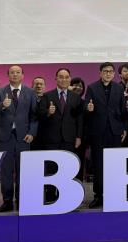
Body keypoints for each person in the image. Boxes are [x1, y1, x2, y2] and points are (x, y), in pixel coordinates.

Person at [0, 65, 38, 212]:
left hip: (24, 137)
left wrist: (32, 133)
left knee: (23, 171)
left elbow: (34, 116)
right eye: (12, 72)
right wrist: (2, 105)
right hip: (5, 137)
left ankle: (21, 199)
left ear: (23, 75)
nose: (15, 75)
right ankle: (7, 201)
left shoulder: (30, 92)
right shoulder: (0, 92)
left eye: (18, 72)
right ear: (8, 75)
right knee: (6, 171)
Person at [84, 62, 127, 208]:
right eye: (105, 71)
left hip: (115, 132)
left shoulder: (118, 88)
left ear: (114, 74)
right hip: (98, 132)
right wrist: (88, 108)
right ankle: (98, 196)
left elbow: (123, 111)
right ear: (100, 73)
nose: (108, 73)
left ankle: (114, 194)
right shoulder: (92, 87)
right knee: (98, 165)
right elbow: (86, 108)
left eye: (110, 71)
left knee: (115, 165)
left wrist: (124, 128)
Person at [38, 68, 84, 202]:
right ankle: (50, 196)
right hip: (51, 139)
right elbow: (39, 116)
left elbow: (79, 119)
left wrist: (79, 136)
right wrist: (48, 112)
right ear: (56, 79)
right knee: (51, 168)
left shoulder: (76, 97)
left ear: (69, 79)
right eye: (61, 77)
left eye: (66, 77)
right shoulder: (47, 96)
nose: (64, 79)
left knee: (68, 169)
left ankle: (66, 197)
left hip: (69, 138)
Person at [70, 77, 89, 181]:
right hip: (66, 137)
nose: (78, 87)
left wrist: (80, 136)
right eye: (75, 85)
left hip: (81, 138)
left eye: (80, 86)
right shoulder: (64, 100)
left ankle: (78, 186)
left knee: (79, 163)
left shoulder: (85, 103)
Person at [30, 76, 46, 150]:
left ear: (45, 87)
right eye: (36, 84)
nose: (39, 86)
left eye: (41, 84)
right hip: (30, 135)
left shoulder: (50, 99)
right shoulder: (26, 100)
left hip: (45, 136)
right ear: (32, 86)